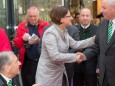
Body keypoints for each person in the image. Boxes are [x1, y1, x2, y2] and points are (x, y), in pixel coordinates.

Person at [35, 6, 95, 86]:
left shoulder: (63, 31)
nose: (71, 18)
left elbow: (75, 44)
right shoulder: (50, 33)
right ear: (61, 19)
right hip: (48, 76)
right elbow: (55, 56)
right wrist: (75, 57)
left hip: (59, 73)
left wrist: (94, 39)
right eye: (68, 16)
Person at [78, 0, 115, 86]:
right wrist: (84, 55)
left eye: (104, 8)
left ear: (114, 8)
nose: (101, 11)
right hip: (104, 76)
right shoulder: (103, 24)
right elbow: (98, 45)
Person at [13, 4, 50, 86]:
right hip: (27, 62)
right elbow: (17, 44)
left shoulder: (46, 25)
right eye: (30, 16)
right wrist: (22, 39)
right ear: (27, 16)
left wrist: (39, 41)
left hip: (42, 61)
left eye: (35, 16)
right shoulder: (22, 26)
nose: (33, 18)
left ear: (39, 15)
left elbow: (51, 43)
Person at [73, 8, 98, 86]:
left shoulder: (97, 29)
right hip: (76, 66)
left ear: (91, 17)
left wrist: (98, 66)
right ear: (79, 17)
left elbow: (99, 47)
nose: (85, 18)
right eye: (83, 15)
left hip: (91, 66)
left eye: (87, 16)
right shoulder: (73, 29)